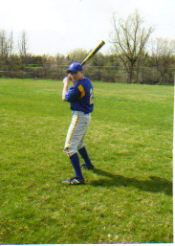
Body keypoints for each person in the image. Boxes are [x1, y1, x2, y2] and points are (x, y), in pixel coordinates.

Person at [62, 62, 94, 185]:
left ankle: (79, 178)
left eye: (75, 73)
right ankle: (89, 164)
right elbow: (78, 84)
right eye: (71, 73)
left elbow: (64, 97)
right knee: (79, 143)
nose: (73, 75)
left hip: (80, 117)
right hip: (85, 116)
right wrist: (73, 80)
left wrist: (66, 84)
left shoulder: (78, 87)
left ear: (81, 73)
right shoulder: (86, 81)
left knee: (69, 148)